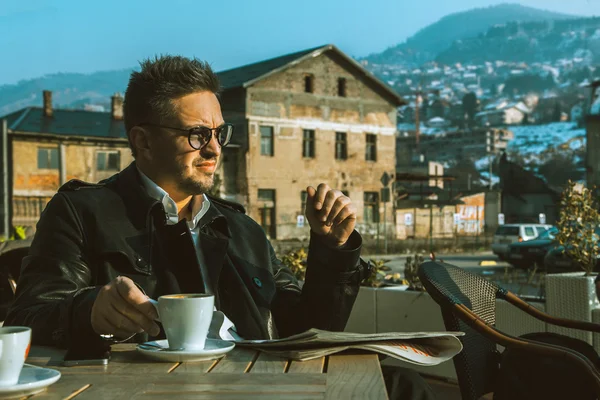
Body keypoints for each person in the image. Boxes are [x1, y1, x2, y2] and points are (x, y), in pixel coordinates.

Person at [5, 55, 370, 350]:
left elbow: (309, 329)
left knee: (404, 385)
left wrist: (333, 249)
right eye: (196, 134)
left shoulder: (241, 228)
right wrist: (88, 311)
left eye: (218, 133)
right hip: (151, 390)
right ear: (143, 141)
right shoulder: (82, 213)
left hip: (261, 383)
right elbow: (28, 318)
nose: (213, 149)